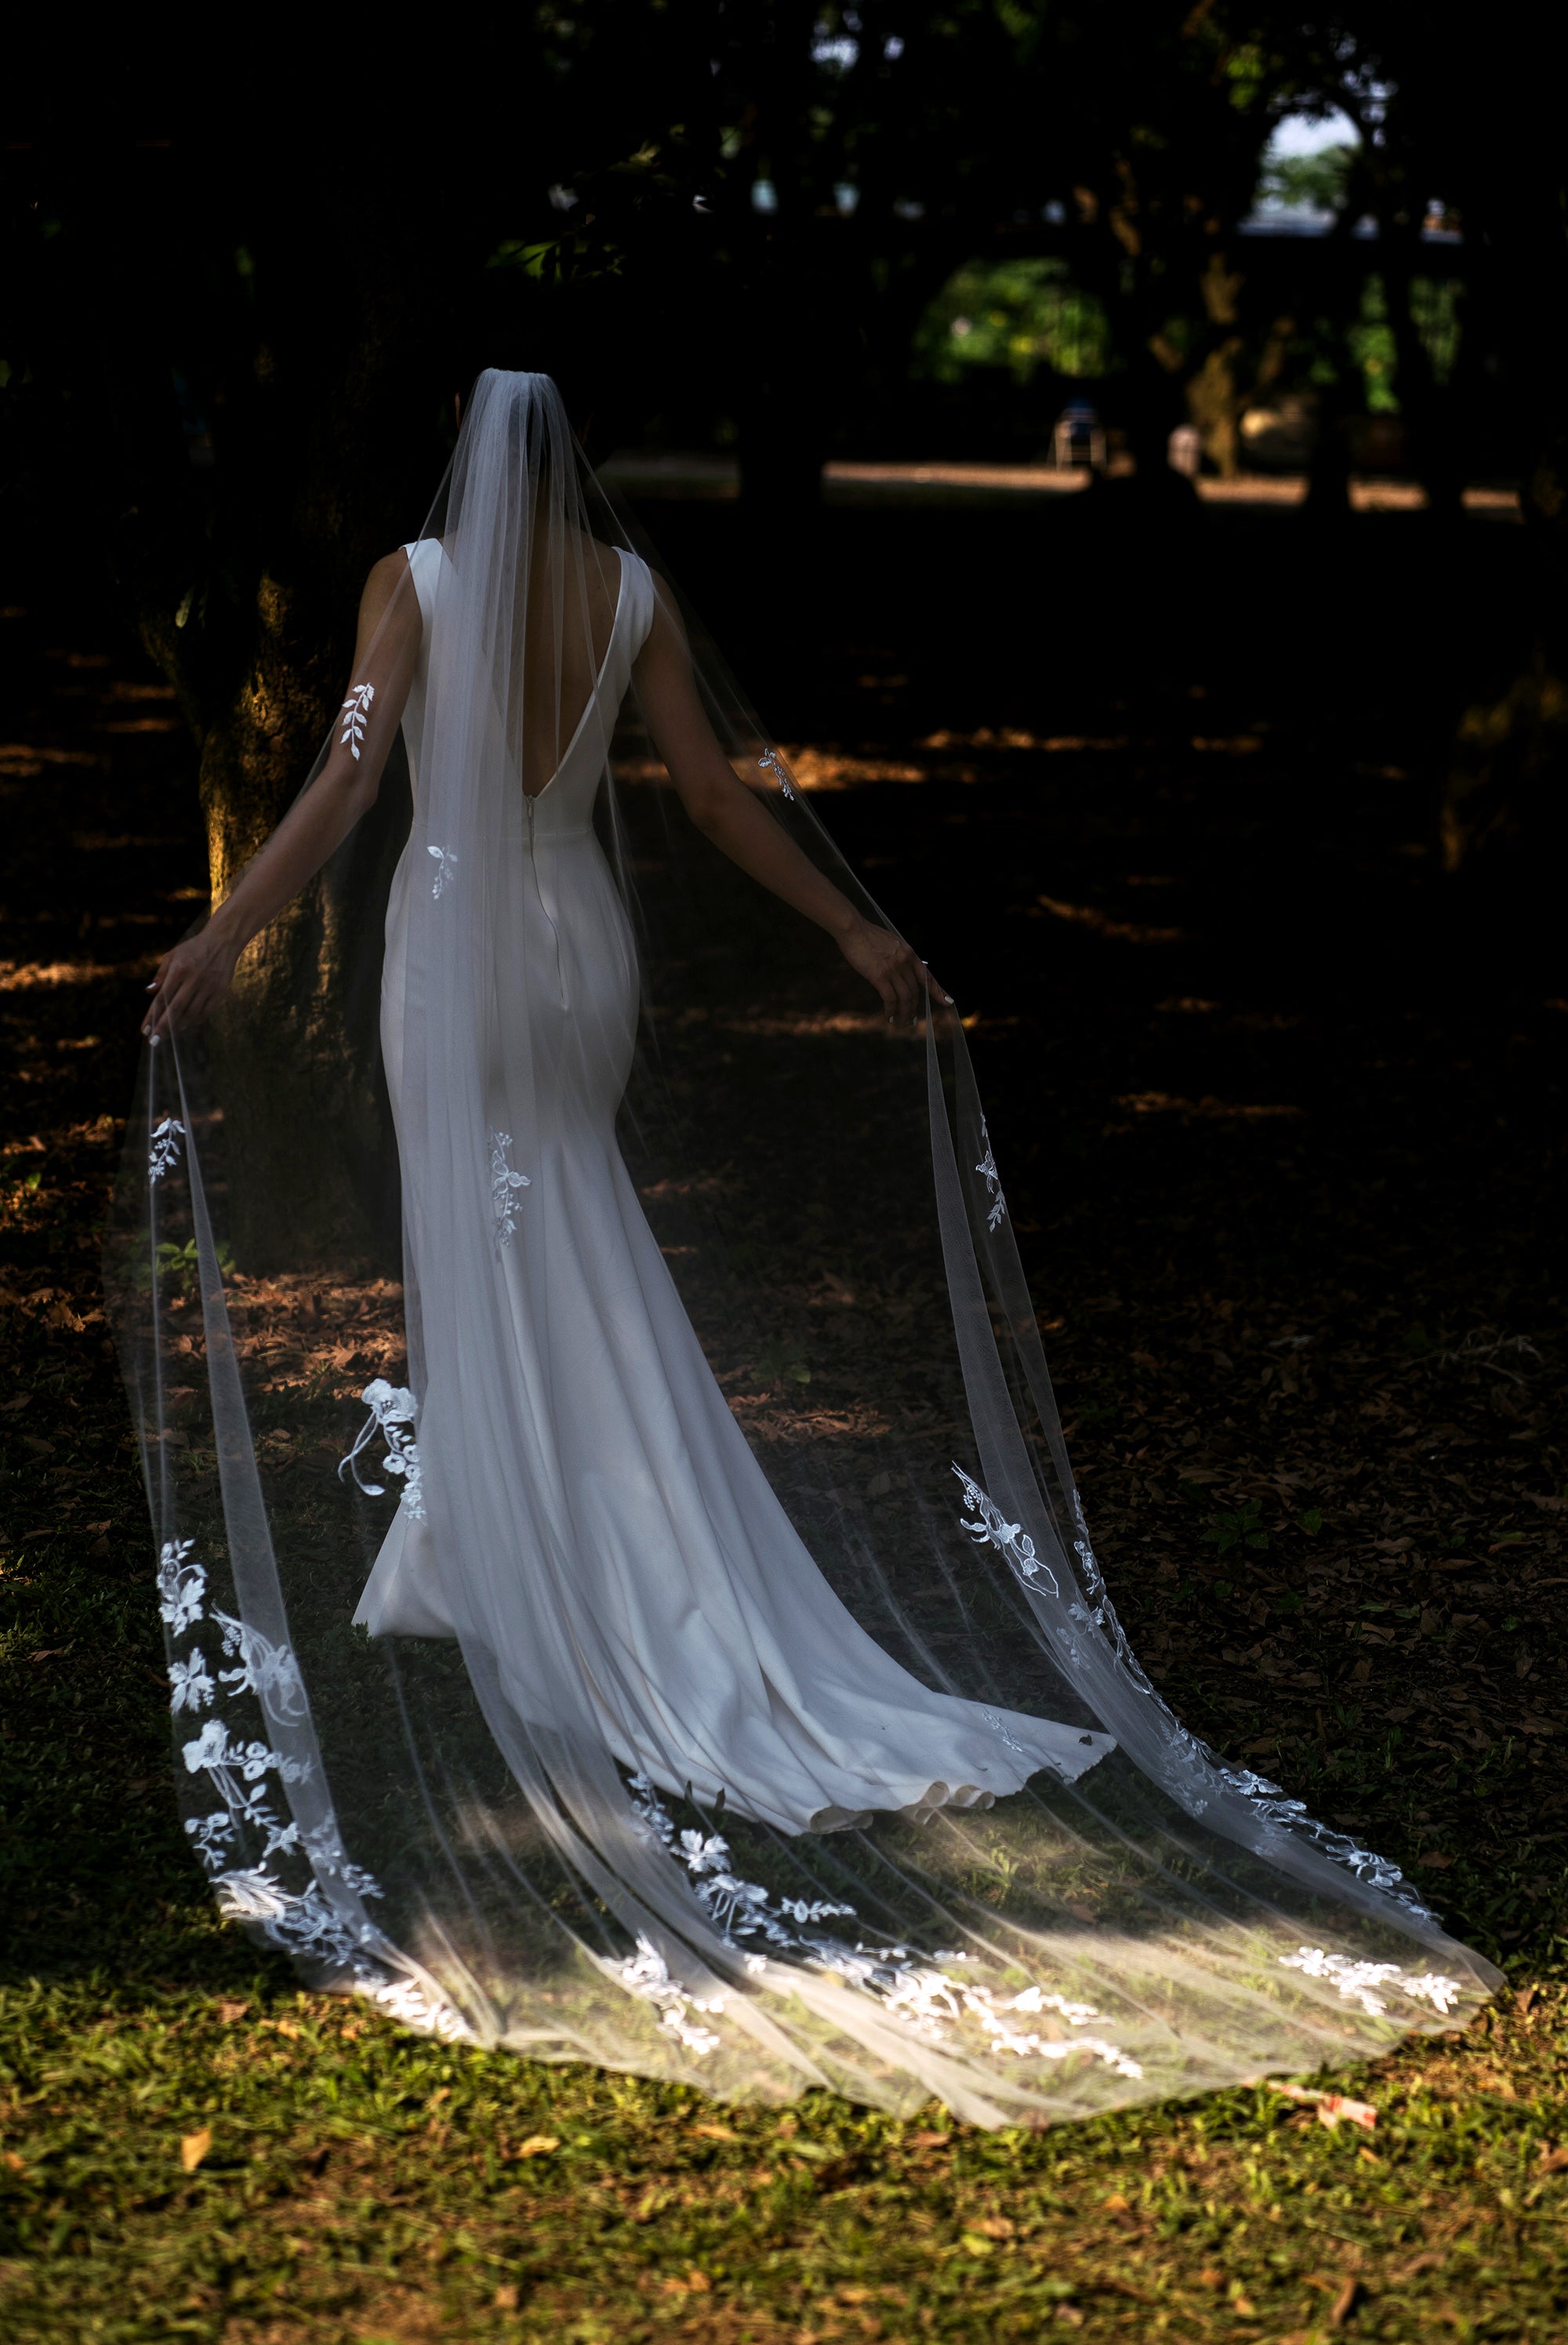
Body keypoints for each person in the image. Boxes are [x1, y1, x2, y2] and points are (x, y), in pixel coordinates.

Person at [120, 370, 1497, 2122]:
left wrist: (229, 929)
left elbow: (345, 774)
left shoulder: (413, 578)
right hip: (578, 940)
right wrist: (855, 930)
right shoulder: (625, 595)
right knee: (573, 1227)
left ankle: (529, 1563)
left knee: (483, 1241)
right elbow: (707, 794)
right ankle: (507, 1536)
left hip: (455, 935)